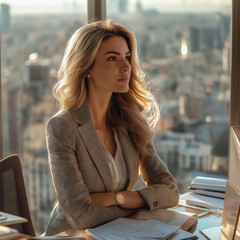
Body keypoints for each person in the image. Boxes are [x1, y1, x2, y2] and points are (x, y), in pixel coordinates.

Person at [45, 19, 179, 236]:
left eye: (127, 57)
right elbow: (81, 215)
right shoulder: (63, 127)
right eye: (112, 58)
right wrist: (139, 204)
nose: (126, 66)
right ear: (86, 67)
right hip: (73, 235)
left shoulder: (130, 121)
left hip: (120, 233)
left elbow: (170, 191)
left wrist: (118, 198)